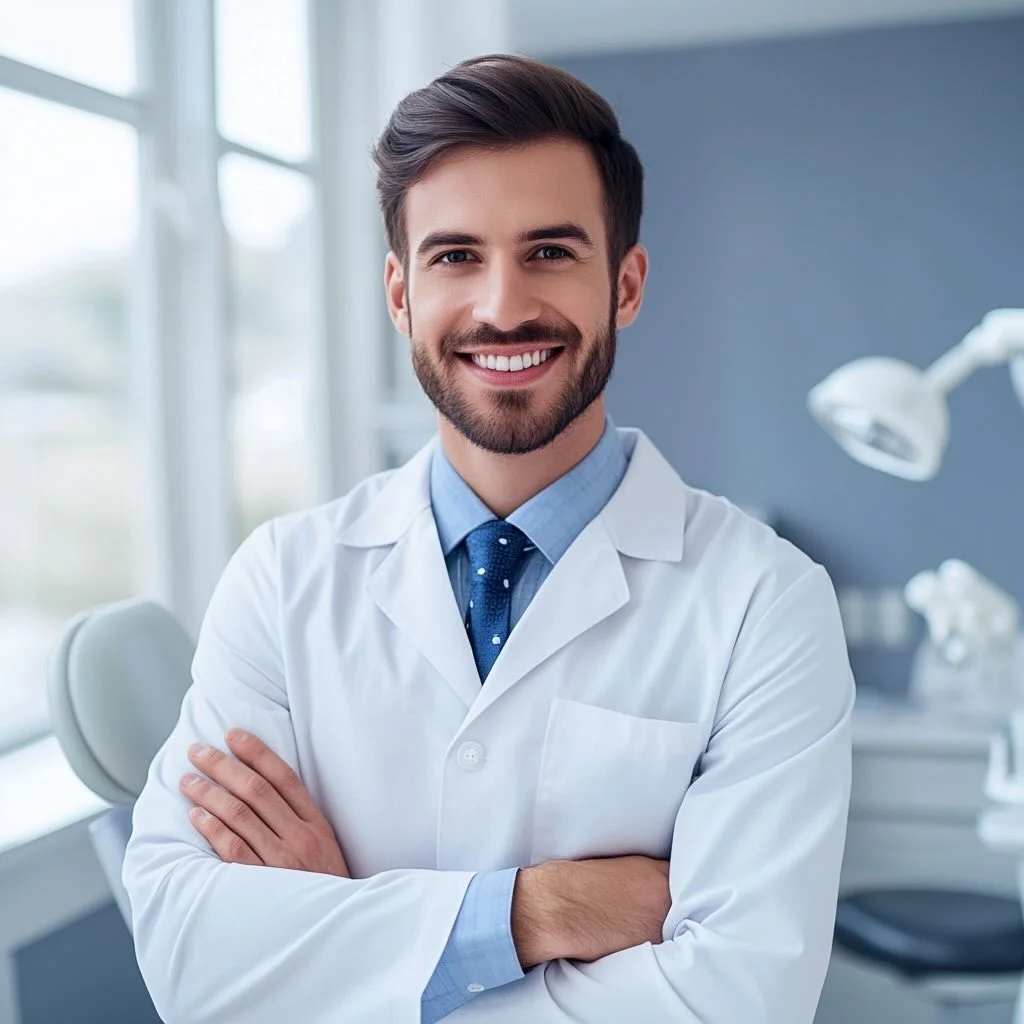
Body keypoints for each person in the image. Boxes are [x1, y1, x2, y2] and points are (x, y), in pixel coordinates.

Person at [123, 53, 854, 1023]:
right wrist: (531, 910)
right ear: (399, 295)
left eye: (549, 251)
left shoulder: (767, 604)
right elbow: (188, 957)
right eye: (455, 256)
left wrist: (347, 937)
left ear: (625, 285)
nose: (503, 305)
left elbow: (740, 1000)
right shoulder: (280, 580)